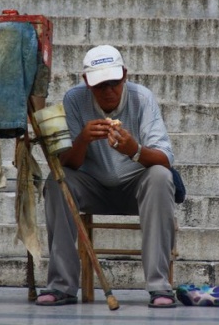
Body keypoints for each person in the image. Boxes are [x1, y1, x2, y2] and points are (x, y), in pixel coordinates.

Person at [36, 45, 178, 308]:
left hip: (137, 189)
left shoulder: (141, 98)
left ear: (124, 75)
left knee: (159, 176)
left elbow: (165, 159)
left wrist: (134, 150)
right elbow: (69, 163)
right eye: (101, 85)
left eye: (114, 82)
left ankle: (159, 287)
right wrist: (83, 140)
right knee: (57, 181)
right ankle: (61, 285)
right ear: (87, 83)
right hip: (93, 187)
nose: (109, 91)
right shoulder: (75, 99)